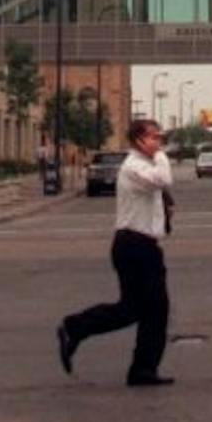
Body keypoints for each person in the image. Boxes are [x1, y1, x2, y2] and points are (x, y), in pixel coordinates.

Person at [57, 118, 176, 386]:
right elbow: (165, 179)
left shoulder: (142, 166)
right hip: (135, 246)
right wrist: (160, 155)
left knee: (137, 309)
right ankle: (75, 327)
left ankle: (142, 369)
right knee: (152, 309)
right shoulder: (134, 167)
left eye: (160, 137)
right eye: (153, 137)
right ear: (138, 140)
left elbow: (157, 199)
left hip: (142, 246)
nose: (158, 141)